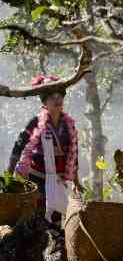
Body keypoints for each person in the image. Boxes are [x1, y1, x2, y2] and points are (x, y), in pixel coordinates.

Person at [8, 75, 82, 224]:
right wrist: (10, 173)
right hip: (37, 178)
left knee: (56, 218)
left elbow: (74, 153)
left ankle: (55, 245)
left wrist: (76, 180)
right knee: (38, 217)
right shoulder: (35, 122)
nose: (57, 100)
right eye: (52, 97)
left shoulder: (69, 125)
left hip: (59, 179)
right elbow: (18, 146)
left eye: (60, 96)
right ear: (44, 102)